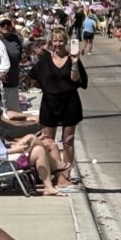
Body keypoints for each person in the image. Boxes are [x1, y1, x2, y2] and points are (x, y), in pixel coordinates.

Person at [0, 98, 71, 196]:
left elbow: (1, 144)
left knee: (39, 150)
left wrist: (12, 145)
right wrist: (13, 150)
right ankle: (55, 165)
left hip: (8, 161)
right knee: (31, 138)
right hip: (2, 165)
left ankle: (49, 188)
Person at [29, 27, 87, 181]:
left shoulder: (72, 58)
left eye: (61, 41)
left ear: (66, 41)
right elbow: (33, 79)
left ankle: (65, 174)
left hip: (70, 102)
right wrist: (48, 88)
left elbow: (76, 79)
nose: (58, 44)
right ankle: (52, 172)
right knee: (48, 140)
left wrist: (75, 63)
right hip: (49, 102)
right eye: (55, 41)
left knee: (68, 140)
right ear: (51, 42)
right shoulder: (45, 60)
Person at [0, 15, 25, 112]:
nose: (5, 26)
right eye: (2, 24)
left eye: (8, 24)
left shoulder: (16, 38)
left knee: (13, 113)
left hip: (13, 83)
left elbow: (20, 56)